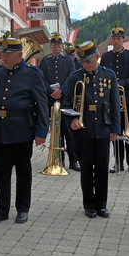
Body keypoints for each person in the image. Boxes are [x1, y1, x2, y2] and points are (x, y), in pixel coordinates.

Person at [0, 36, 49, 226]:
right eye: (2, 53)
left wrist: (41, 131)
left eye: (8, 54)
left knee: (23, 171)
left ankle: (22, 208)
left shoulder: (33, 74)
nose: (4, 57)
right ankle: (1, 210)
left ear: (20, 55)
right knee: (1, 172)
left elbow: (42, 103)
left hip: (22, 130)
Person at [60, 40, 121, 218]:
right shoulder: (75, 77)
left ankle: (102, 204)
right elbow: (66, 103)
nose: (86, 65)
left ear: (96, 57)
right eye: (83, 62)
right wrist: (71, 120)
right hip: (83, 128)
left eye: (88, 61)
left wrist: (115, 127)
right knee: (86, 168)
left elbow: (115, 103)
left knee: (102, 167)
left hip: (103, 126)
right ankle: (89, 204)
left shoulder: (109, 76)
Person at [39, 32, 80, 171]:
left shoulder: (68, 60)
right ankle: (58, 159)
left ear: (62, 46)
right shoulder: (44, 61)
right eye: (54, 44)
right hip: (51, 99)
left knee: (69, 130)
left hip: (66, 99)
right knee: (56, 130)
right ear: (50, 46)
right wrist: (51, 91)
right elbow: (41, 79)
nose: (57, 47)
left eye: (59, 44)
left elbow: (71, 77)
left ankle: (74, 160)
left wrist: (61, 89)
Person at [103, 24, 129, 173]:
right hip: (112, 100)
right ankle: (118, 162)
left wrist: (121, 84)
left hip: (128, 98)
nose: (116, 41)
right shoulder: (106, 56)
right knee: (115, 130)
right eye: (114, 39)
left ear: (123, 40)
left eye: (119, 38)